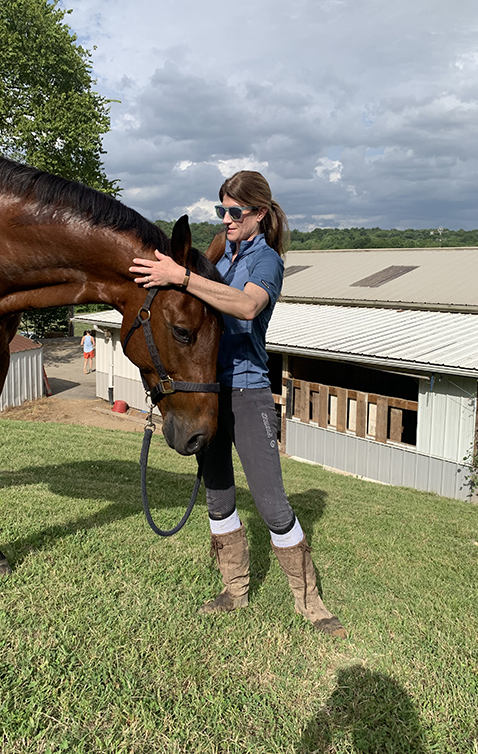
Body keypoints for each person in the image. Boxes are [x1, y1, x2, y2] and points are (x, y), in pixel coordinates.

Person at [130, 171, 346, 638]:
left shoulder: (266, 261)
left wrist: (183, 276)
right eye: (221, 210)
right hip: (206, 391)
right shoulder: (217, 255)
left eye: (235, 212)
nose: (226, 219)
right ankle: (234, 589)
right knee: (220, 497)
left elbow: (246, 308)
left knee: (270, 504)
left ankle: (311, 603)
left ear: (259, 215)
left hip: (247, 391)